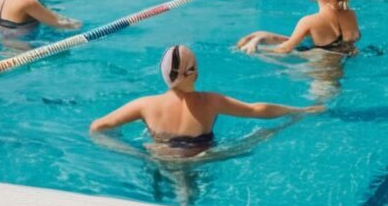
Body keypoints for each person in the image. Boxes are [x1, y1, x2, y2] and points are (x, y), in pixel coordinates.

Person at [89, 45, 323, 153]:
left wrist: (135, 151)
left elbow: (98, 126)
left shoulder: (145, 105)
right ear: (195, 74)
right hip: (202, 157)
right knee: (265, 133)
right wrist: (301, 109)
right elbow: (257, 110)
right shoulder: (210, 101)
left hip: (159, 156)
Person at [236, 0, 361, 55]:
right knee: (262, 35)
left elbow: (284, 50)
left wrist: (257, 49)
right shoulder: (350, 14)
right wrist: (263, 36)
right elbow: (332, 41)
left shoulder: (309, 21)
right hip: (350, 55)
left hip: (323, 67)